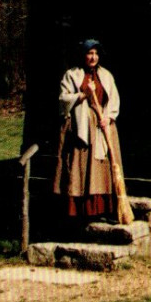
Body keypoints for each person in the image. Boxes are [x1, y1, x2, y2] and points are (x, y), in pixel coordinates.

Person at [53, 39, 123, 225]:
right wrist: (83, 94)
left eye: (96, 54)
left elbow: (113, 100)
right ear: (83, 55)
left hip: (102, 127)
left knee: (103, 169)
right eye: (89, 53)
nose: (93, 57)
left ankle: (104, 209)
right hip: (80, 127)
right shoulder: (72, 75)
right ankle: (81, 211)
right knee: (81, 168)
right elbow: (63, 99)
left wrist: (108, 117)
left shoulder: (106, 76)